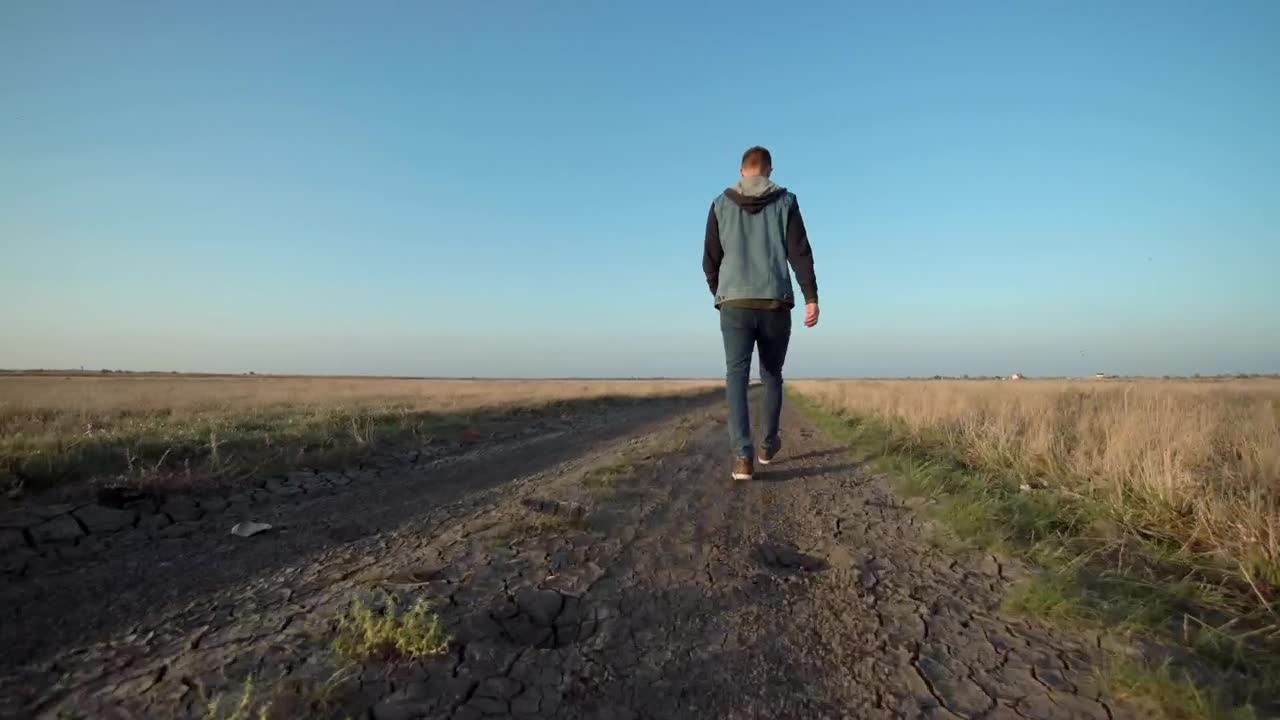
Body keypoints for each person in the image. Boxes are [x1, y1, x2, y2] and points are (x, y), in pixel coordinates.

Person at [703, 145, 819, 481]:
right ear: (769, 170)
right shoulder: (786, 201)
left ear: (742, 171)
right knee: (771, 375)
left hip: (734, 305)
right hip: (775, 303)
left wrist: (722, 293)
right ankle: (767, 445)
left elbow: (709, 259)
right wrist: (810, 296)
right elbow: (800, 253)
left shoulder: (720, 203)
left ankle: (742, 457)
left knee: (736, 377)